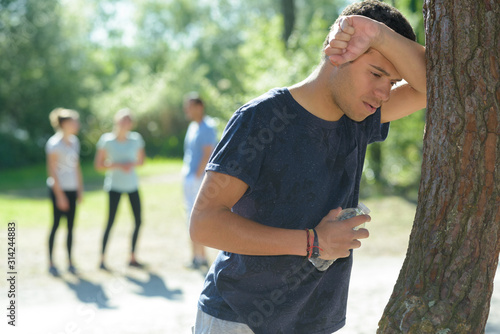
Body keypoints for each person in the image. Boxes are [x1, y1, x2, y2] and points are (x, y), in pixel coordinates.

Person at [190, 1, 426, 333]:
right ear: (340, 52)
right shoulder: (261, 119)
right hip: (238, 319)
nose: (384, 93)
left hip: (314, 325)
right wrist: (313, 242)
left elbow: (441, 84)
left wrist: (377, 34)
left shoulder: (359, 119)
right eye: (376, 74)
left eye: (393, 81)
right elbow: (203, 224)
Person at [94, 108, 146, 270]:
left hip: (132, 185)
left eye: (129, 120)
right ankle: (102, 259)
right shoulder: (107, 140)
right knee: (110, 222)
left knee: (138, 221)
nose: (126, 123)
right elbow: (99, 165)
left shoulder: (136, 139)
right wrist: (117, 165)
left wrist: (131, 164)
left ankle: (132, 257)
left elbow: (141, 161)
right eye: (123, 119)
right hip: (114, 186)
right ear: (117, 121)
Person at [182, 93, 218, 270]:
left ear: (199, 107)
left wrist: (196, 177)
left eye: (189, 106)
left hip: (198, 179)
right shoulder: (192, 127)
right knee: (189, 215)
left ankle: (200, 257)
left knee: (196, 216)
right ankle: (198, 256)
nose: (186, 110)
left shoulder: (207, 127)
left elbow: (208, 153)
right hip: (189, 177)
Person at [46, 108, 83, 276]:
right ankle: (51, 261)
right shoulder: (54, 144)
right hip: (58, 190)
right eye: (73, 122)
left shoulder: (75, 142)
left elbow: (76, 167)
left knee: (70, 226)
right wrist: (60, 196)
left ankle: (69, 261)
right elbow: (52, 171)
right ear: (64, 124)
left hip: (72, 188)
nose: (76, 125)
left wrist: (80, 189)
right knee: (56, 225)